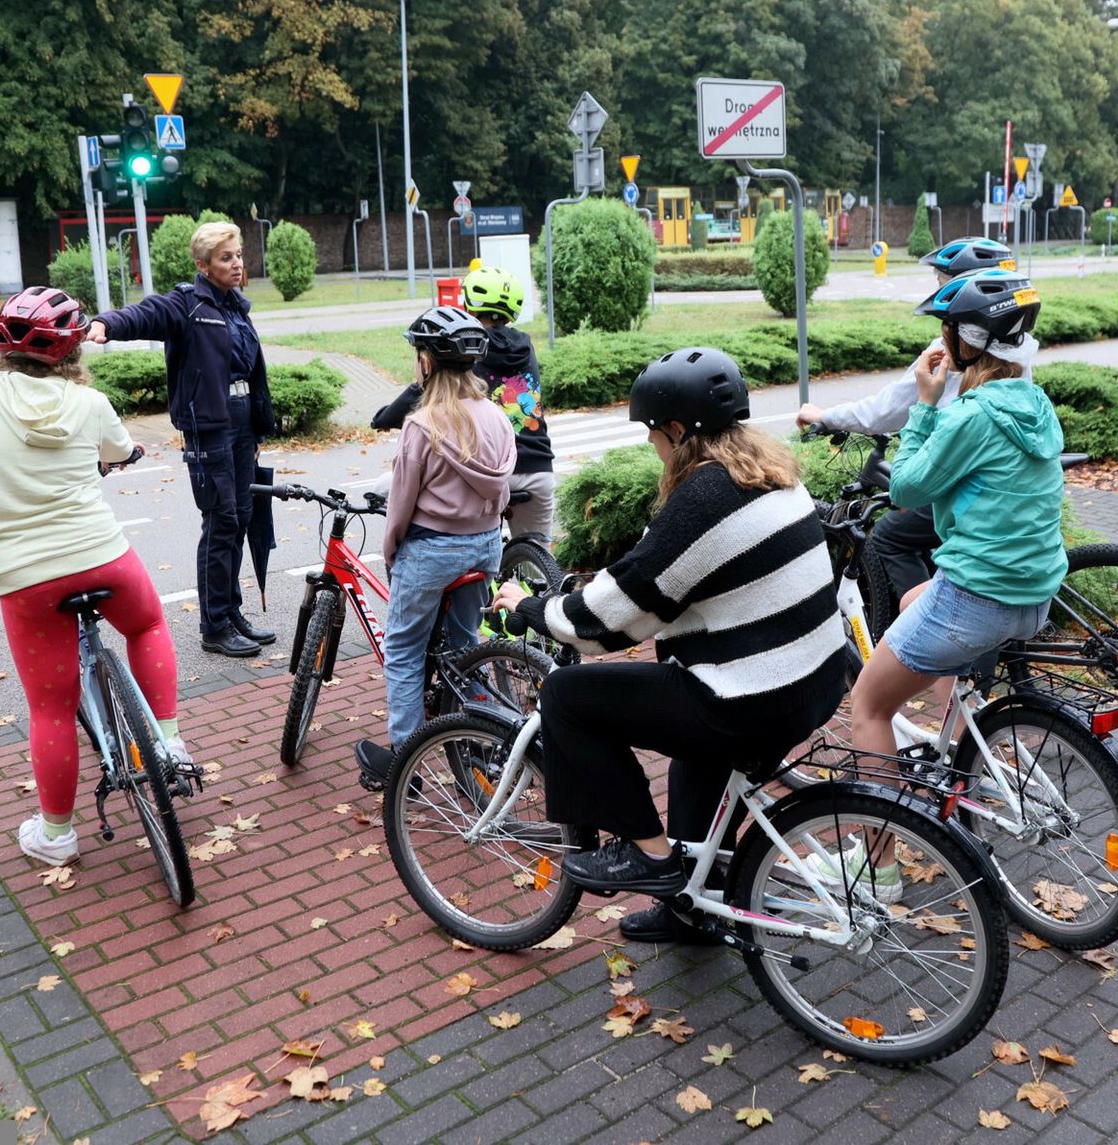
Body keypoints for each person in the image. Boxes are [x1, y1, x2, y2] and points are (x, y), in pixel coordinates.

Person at [490, 348, 847, 944]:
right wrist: (597, 588)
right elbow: (661, 578)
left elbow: (610, 624)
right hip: (812, 680)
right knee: (694, 766)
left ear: (679, 431)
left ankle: (651, 858)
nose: (652, 446)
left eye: (653, 432)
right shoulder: (767, 475)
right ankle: (693, 911)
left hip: (754, 696)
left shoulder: (703, 500)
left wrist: (531, 610)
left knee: (567, 695)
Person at [0, 287, 184, 867]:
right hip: (103, 558)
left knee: (51, 708)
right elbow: (119, 450)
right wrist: (116, 455)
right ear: (74, 350)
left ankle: (56, 835)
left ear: (2, 348)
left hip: (28, 579)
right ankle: (168, 743)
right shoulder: (89, 404)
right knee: (146, 625)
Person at [834, 271, 1067, 898]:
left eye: (945, 330)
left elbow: (906, 487)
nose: (939, 340)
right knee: (915, 598)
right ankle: (957, 724)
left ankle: (877, 871)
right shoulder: (1034, 404)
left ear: (966, 342)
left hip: (977, 599)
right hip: (1033, 598)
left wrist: (925, 402)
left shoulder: (968, 413)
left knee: (868, 706)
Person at [795, 237, 1031, 605]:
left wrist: (826, 415)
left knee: (891, 535)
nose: (938, 290)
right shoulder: (1014, 350)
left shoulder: (955, 367)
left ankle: (927, 633)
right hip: (1011, 504)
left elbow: (888, 414)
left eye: (943, 282)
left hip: (980, 525)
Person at [85, 221, 275, 658]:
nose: (237, 264)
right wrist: (105, 324)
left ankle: (231, 613)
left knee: (242, 517)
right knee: (221, 521)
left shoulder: (235, 306)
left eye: (239, 255)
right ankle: (214, 626)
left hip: (242, 421)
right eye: (226, 258)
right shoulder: (187, 304)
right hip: (210, 424)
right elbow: (143, 314)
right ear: (203, 265)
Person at [354, 307, 516, 788]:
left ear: (427, 363)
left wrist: (391, 549)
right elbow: (502, 494)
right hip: (484, 546)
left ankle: (405, 761)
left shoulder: (422, 425)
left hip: (431, 551)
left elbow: (401, 505)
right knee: (466, 646)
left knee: (403, 650)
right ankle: (480, 738)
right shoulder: (497, 418)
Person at [371, 266, 555, 540]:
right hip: (539, 471)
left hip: (489, 470)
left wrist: (385, 418)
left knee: (383, 489)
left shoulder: (467, 344)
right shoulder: (525, 346)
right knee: (538, 564)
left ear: (469, 304)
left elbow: (422, 389)